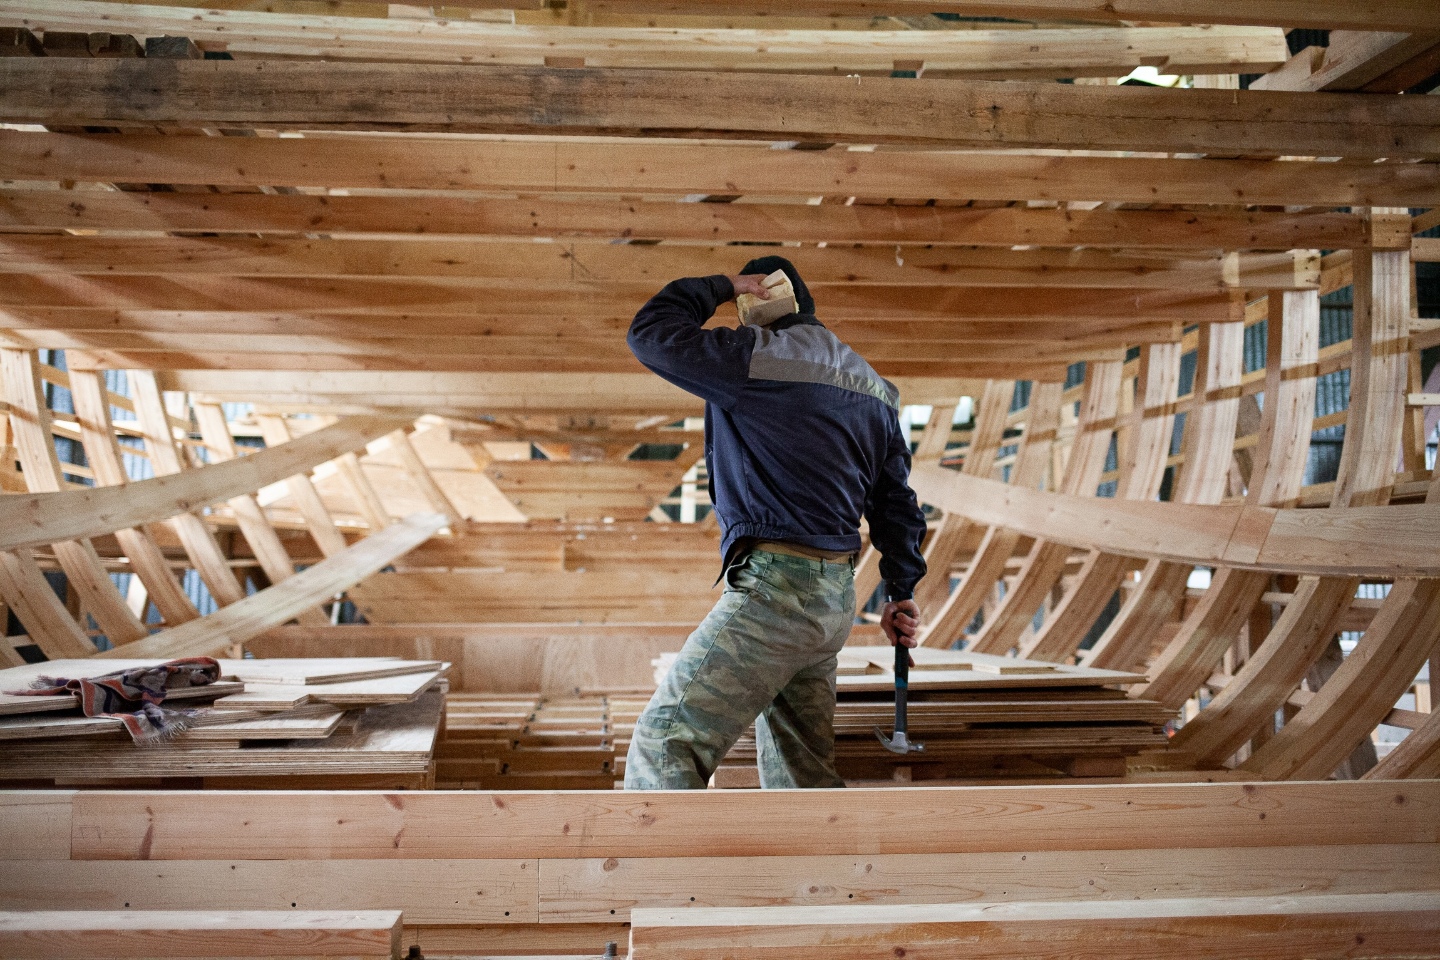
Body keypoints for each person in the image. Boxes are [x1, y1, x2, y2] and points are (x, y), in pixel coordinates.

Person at [623, 255, 928, 790]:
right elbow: (896, 502)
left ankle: (661, 876)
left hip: (777, 592)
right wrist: (900, 589)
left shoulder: (755, 358)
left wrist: (719, 284)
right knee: (800, 772)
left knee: (666, 741)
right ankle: (815, 872)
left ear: (755, 301)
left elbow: (651, 333)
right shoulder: (873, 386)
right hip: (834, 598)